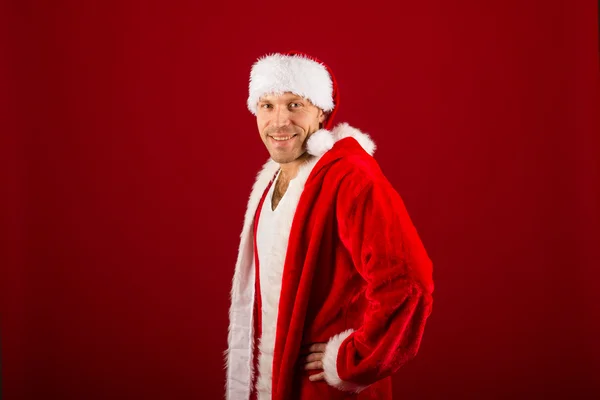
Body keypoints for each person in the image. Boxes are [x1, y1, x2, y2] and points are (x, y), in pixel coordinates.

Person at [224, 51, 434, 400]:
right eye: (267, 105)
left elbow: (408, 281)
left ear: (321, 111)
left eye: (294, 105)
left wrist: (355, 359)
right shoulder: (273, 179)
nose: (278, 122)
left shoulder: (350, 176)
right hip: (274, 384)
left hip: (325, 390)